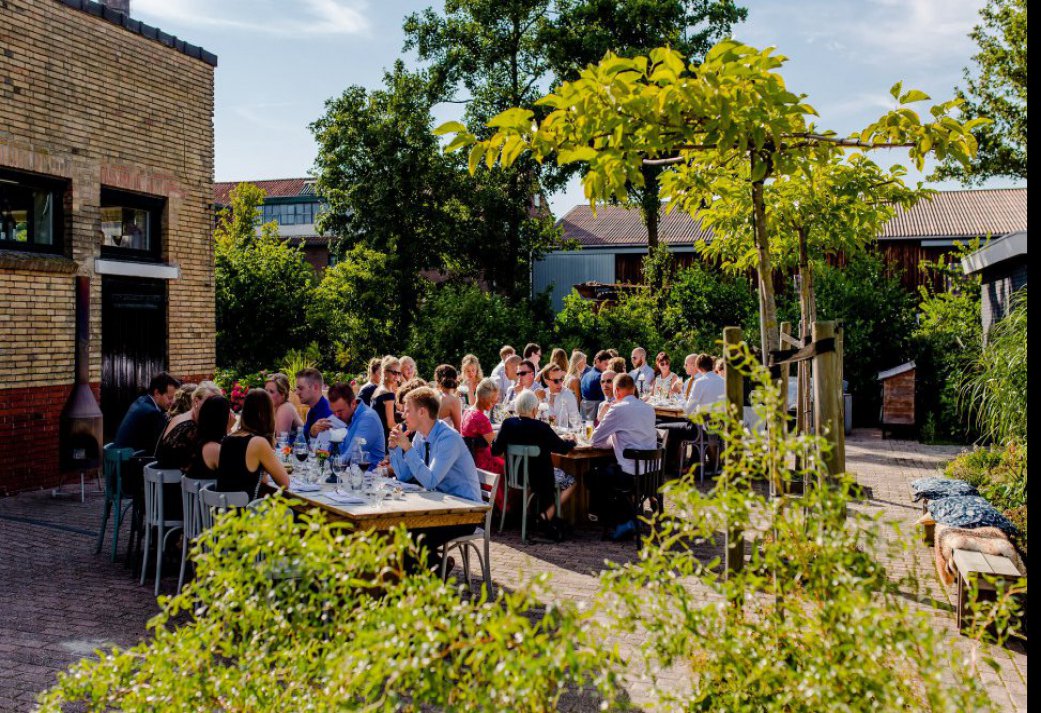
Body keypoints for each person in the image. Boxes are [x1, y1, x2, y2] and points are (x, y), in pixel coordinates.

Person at [388, 387, 482, 571]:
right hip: (440, 507)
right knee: (397, 533)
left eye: (407, 410)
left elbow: (430, 481)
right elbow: (405, 476)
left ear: (422, 412)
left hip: (465, 512)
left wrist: (407, 449)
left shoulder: (448, 438)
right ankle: (436, 567)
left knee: (411, 539)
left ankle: (433, 572)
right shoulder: (421, 436)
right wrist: (395, 449)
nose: (403, 415)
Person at [492, 390, 577, 541]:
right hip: (541, 479)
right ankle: (547, 514)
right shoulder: (541, 427)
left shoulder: (507, 424)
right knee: (572, 482)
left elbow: (495, 450)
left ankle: (542, 515)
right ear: (534, 409)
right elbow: (562, 448)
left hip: (515, 477)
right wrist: (572, 441)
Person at [589, 374, 658, 540]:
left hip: (629, 475)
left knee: (593, 476)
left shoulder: (617, 409)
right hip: (651, 475)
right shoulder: (649, 408)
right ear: (633, 389)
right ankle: (629, 517)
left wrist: (607, 423)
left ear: (617, 391)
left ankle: (621, 521)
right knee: (609, 472)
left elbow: (595, 440)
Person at [215, 389, 290, 498]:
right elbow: (285, 483)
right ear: (266, 414)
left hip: (222, 511)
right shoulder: (258, 442)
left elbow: (259, 478)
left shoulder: (228, 439)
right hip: (245, 512)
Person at [314, 382, 385, 470]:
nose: (336, 416)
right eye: (334, 412)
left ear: (353, 403)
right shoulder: (346, 417)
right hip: (349, 475)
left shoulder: (368, 418)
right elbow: (327, 450)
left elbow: (350, 457)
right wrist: (314, 434)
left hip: (369, 477)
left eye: (340, 411)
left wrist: (325, 460)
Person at [154, 383, 218, 472]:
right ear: (196, 401)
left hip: (162, 478)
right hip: (173, 482)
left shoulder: (179, 418)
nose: (213, 409)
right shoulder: (190, 427)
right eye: (208, 404)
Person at [114, 371, 181, 454]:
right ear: (156, 393)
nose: (172, 402)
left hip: (119, 458)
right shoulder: (151, 413)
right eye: (169, 397)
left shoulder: (141, 400)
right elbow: (162, 445)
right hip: (130, 462)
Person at [460, 378, 503, 477]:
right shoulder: (481, 419)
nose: (494, 403)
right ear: (484, 399)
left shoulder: (467, 412)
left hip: (471, 463)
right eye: (493, 400)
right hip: (483, 465)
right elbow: (495, 448)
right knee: (515, 468)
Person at [188, 395, 231, 481]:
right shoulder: (213, 448)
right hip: (210, 493)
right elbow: (234, 475)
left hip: (195, 491)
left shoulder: (196, 439)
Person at [296, 367, 332, 443]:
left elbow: (325, 450)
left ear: (315, 387)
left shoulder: (328, 413)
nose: (297, 392)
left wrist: (311, 434)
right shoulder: (313, 410)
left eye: (301, 388)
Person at [371, 356, 403, 440]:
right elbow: (390, 424)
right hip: (384, 438)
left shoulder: (378, 390)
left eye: (399, 373)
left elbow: (382, 414)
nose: (397, 376)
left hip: (375, 436)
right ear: (384, 372)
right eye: (394, 372)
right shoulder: (388, 394)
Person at [264, 373, 303, 440]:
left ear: (282, 394)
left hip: (295, 449)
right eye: (266, 391)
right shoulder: (274, 407)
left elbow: (280, 442)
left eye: (271, 392)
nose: (266, 395)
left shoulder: (285, 408)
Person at [579, 350, 612, 420]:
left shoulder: (585, 375)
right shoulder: (601, 377)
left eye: (609, 365)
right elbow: (605, 400)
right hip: (595, 415)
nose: (607, 367)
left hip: (584, 415)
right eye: (606, 364)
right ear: (597, 361)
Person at [544, 363, 579, 428]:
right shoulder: (543, 394)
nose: (560, 383)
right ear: (546, 382)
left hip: (563, 435)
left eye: (561, 379)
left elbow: (576, 421)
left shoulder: (568, 394)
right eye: (556, 381)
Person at [434, 364, 463, 431]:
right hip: (442, 440)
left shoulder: (433, 396)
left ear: (437, 381)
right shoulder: (453, 401)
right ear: (456, 379)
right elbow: (459, 430)